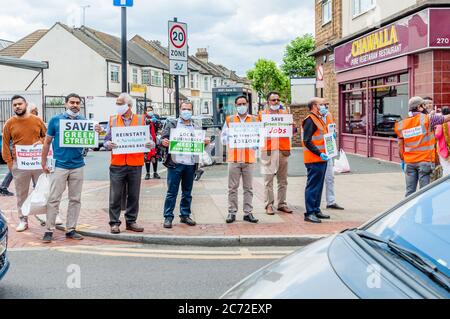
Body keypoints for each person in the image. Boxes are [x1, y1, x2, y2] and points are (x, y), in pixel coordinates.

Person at [40, 93, 102, 243]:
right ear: (66, 104)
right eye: (72, 102)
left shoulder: (85, 121)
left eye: (77, 103)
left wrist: (97, 131)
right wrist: (43, 162)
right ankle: (49, 230)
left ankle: (71, 229)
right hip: (60, 165)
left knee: (75, 199)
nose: (75, 105)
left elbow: (91, 143)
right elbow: (47, 142)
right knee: (54, 199)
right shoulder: (56, 120)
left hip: (77, 165)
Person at [103, 93, 155, 234]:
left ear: (129, 105)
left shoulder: (140, 119)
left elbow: (149, 139)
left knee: (133, 195)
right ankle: (114, 223)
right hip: (117, 163)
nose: (118, 106)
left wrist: (150, 144)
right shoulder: (113, 120)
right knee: (115, 195)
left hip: (135, 163)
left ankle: (131, 221)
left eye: (120, 103)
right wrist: (109, 144)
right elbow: (105, 140)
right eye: (117, 103)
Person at [160, 101, 210, 229]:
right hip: (175, 163)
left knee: (187, 192)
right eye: (184, 109)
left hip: (190, 163)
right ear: (180, 109)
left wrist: (205, 142)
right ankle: (168, 217)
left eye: (188, 109)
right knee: (172, 192)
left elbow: (199, 143)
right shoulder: (172, 124)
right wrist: (163, 142)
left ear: (192, 111)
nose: (186, 111)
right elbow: (161, 140)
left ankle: (185, 215)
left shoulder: (196, 125)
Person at [1, 95, 46, 232]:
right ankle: (23, 220)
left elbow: (46, 136)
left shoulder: (37, 120)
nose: (17, 107)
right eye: (14, 105)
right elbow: (5, 144)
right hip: (19, 164)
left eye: (20, 104)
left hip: (37, 162)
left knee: (42, 190)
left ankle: (44, 215)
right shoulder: (9, 123)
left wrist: (42, 142)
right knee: (21, 194)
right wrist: (9, 162)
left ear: (25, 104)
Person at [395, 97, 450, 197]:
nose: (426, 107)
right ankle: (426, 212)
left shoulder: (402, 124)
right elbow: (446, 118)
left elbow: (400, 145)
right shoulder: (428, 119)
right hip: (424, 162)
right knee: (425, 193)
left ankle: (409, 212)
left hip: (409, 162)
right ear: (419, 107)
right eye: (424, 105)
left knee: (409, 192)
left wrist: (404, 159)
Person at [221, 95, 259, 224]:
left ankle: (248, 213)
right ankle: (232, 212)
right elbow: (223, 138)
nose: (242, 106)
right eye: (239, 104)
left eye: (244, 103)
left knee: (248, 188)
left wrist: (256, 143)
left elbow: (259, 137)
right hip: (234, 159)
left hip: (249, 158)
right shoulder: (229, 120)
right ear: (236, 106)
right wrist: (232, 137)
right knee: (232, 188)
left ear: (247, 104)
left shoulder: (255, 119)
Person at [259, 92, 293, 216]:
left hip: (283, 150)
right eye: (273, 100)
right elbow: (257, 131)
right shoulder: (262, 115)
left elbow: (291, 130)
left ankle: (282, 204)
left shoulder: (285, 114)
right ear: (268, 102)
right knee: (268, 180)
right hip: (268, 151)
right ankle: (269, 204)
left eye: (278, 100)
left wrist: (292, 126)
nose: (276, 102)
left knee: (283, 180)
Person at [302, 98, 331, 224]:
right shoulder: (310, 120)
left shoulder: (319, 118)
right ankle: (309, 213)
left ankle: (316, 209)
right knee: (313, 186)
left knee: (318, 186)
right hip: (314, 158)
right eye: (322, 104)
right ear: (314, 106)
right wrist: (319, 153)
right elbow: (307, 141)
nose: (324, 106)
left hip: (321, 158)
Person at [322, 100, 344, 210]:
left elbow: (331, 127)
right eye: (322, 105)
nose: (324, 107)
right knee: (317, 179)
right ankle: (315, 204)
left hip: (329, 149)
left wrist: (333, 133)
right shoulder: (312, 118)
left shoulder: (329, 115)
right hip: (318, 152)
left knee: (330, 177)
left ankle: (331, 201)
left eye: (326, 105)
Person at [144, 106, 162, 180]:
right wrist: (149, 121)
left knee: (155, 156)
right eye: (148, 110)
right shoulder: (143, 118)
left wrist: (156, 121)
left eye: (151, 110)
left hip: (155, 139)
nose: (150, 111)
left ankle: (155, 172)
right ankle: (147, 173)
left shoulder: (156, 117)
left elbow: (160, 126)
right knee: (147, 157)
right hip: (146, 140)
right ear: (145, 111)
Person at [434, 106, 450, 176]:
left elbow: (437, 135)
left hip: (444, 149)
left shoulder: (441, 123)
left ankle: (447, 184)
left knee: (446, 166)